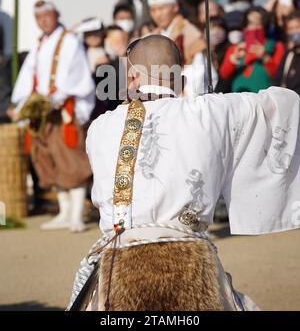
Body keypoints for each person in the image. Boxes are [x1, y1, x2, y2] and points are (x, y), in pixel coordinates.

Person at [67, 34, 300, 311]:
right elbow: (284, 104)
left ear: (131, 78)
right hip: (193, 261)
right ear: (182, 82)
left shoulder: (100, 128)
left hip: (119, 260)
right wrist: (216, 106)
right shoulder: (212, 111)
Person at [9, 0, 95, 232]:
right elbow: (28, 77)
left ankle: (77, 213)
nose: (43, 21)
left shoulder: (69, 41)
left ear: (56, 15)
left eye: (47, 15)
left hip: (63, 111)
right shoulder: (39, 44)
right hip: (42, 114)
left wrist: (56, 99)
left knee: (70, 159)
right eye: (39, 17)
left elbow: (77, 77)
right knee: (47, 159)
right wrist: (22, 105)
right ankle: (64, 212)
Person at [220, 6, 285, 93]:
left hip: (265, 101)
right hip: (240, 100)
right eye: (250, 23)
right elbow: (224, 74)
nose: (254, 27)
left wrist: (266, 58)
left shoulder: (277, 46)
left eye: (258, 23)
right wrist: (234, 59)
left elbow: (280, 77)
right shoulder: (236, 48)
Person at [148, 0, 203, 65]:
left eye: (161, 8)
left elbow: (199, 71)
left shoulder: (190, 33)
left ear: (175, 7)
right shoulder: (152, 36)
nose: (158, 15)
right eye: (153, 10)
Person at [274, 10, 300, 95]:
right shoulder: (289, 54)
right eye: (290, 29)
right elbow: (278, 80)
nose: (294, 32)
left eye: (297, 27)